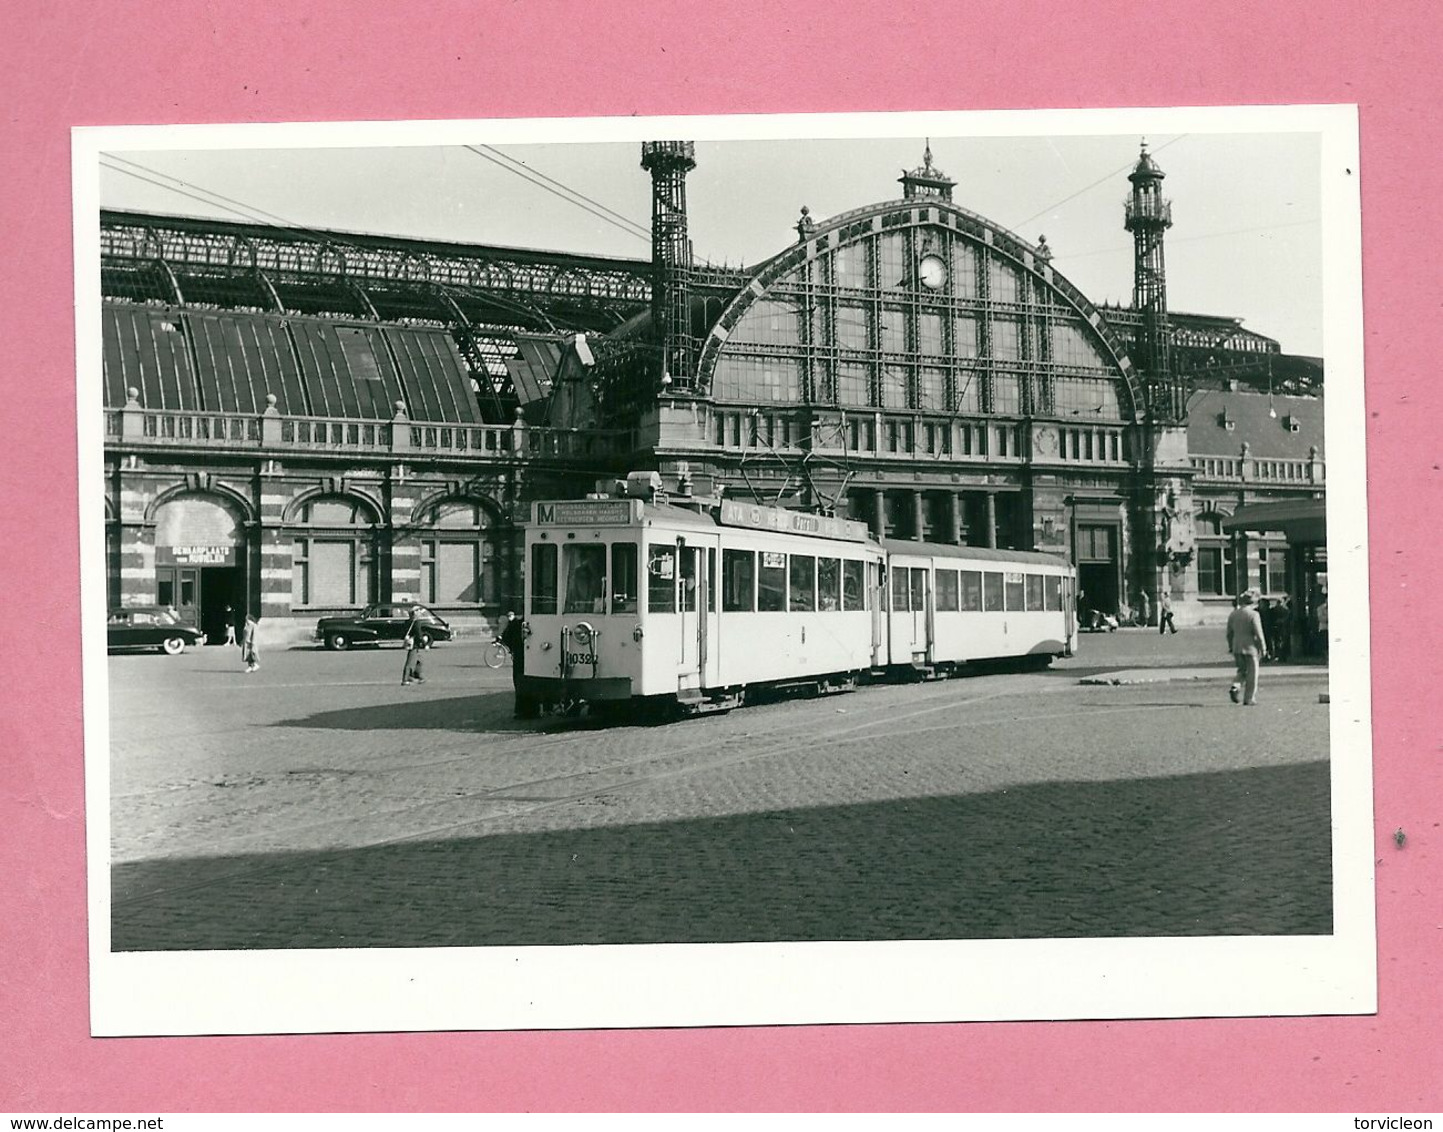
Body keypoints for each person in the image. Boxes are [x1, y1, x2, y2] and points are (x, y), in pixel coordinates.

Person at [1226, 591, 1268, 706]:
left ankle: (1235, 686)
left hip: (1237, 646)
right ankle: (1249, 698)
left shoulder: (1233, 614)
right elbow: (1259, 633)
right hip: (1250, 647)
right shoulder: (1253, 615)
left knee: (1241, 671)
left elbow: (1229, 633)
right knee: (1252, 674)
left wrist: (1230, 646)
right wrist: (1263, 647)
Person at [499, 611, 532, 719]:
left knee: (520, 683)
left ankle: (521, 710)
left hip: (519, 658)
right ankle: (536, 709)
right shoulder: (536, 623)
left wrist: (513, 649)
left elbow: (505, 637)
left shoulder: (515, 624)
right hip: (532, 658)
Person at [401, 608, 427, 685]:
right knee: (410, 662)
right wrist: (425, 644)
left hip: (410, 643)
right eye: (418, 611)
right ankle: (405, 679)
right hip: (414, 645)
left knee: (418, 661)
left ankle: (419, 676)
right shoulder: (416, 623)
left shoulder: (407, 622)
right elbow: (419, 635)